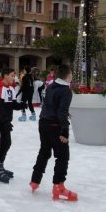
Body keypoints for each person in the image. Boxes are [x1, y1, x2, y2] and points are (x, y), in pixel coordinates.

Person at [30, 64, 78, 201]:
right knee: (62, 156)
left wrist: (62, 113)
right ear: (68, 76)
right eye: (71, 75)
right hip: (54, 126)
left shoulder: (51, 86)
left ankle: (35, 180)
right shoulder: (65, 90)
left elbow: (51, 105)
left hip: (43, 123)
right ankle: (59, 186)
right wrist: (64, 132)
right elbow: (61, 112)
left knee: (44, 152)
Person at [0, 68, 24, 183]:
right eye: (11, 75)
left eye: (14, 75)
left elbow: (13, 104)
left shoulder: (11, 88)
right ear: (5, 76)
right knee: (4, 142)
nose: (13, 77)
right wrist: (5, 123)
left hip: (5, 120)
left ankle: (0, 165)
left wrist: (21, 105)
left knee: (7, 142)